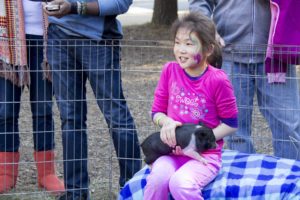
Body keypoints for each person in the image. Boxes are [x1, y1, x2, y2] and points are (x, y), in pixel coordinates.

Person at [42, 0, 141, 199]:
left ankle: (132, 190)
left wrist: (74, 6)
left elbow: (121, 3)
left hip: (99, 41)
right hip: (58, 37)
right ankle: (75, 193)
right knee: (70, 118)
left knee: (116, 117)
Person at [189, 0, 300, 160]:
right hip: (229, 54)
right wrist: (206, 31)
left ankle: (290, 181)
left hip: (277, 54)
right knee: (234, 131)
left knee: (289, 128)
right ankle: (245, 181)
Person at [144, 13, 238, 199]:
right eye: (177, 43)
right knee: (156, 181)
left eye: (188, 44)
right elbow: (156, 111)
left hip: (205, 155)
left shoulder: (218, 80)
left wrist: (195, 143)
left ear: (208, 49)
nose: (180, 50)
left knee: (181, 183)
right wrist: (167, 123)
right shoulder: (169, 71)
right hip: (171, 153)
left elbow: (231, 124)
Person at [0, 0, 64, 194]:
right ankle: (5, 174)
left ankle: (47, 173)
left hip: (45, 42)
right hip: (7, 42)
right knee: (5, 110)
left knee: (43, 109)